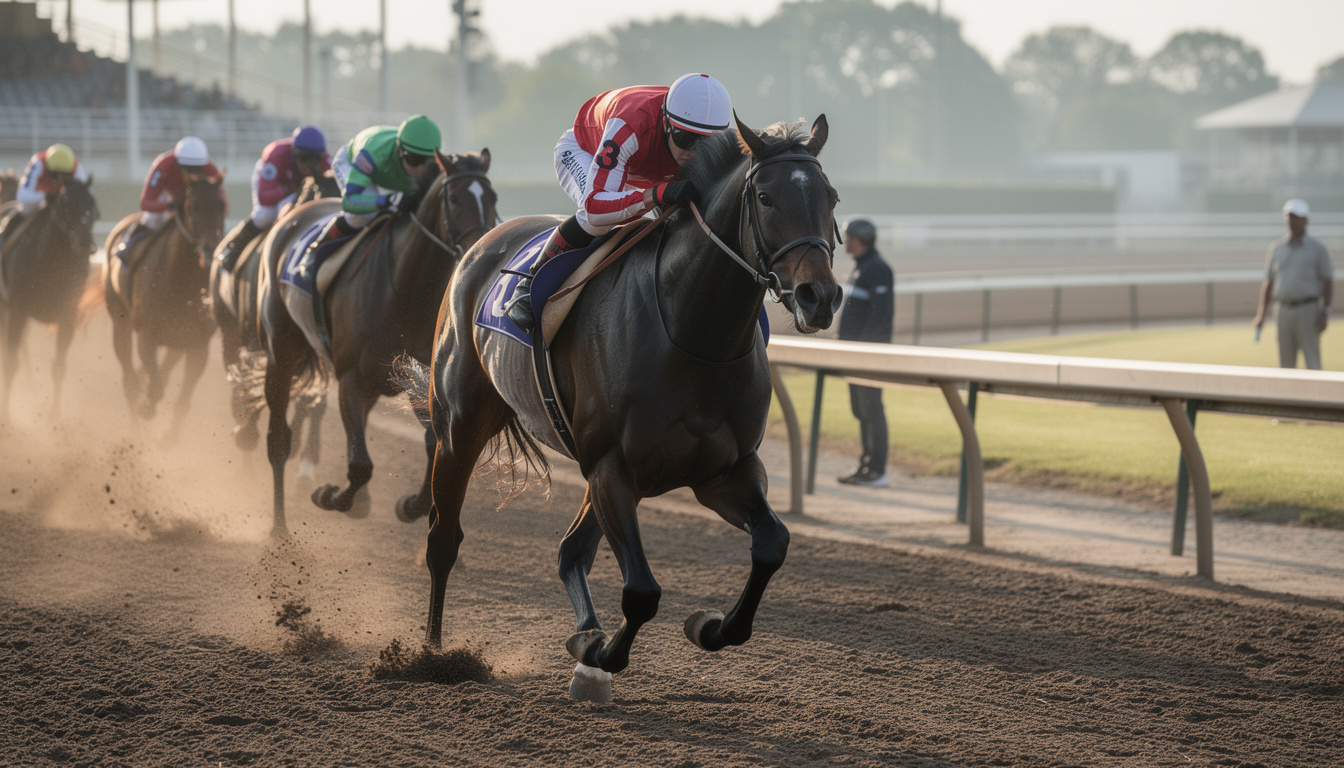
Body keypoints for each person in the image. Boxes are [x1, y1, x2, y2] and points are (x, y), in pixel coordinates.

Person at [505, 73, 733, 331]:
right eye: (686, 140)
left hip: (644, 168)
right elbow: (595, 208)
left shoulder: (700, 128)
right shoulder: (630, 125)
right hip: (585, 152)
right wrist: (654, 195)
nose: (693, 152)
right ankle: (530, 283)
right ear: (667, 123)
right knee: (598, 221)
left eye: (705, 145)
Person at [302, 114, 441, 341]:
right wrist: (385, 201)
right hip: (353, 163)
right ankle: (316, 249)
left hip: (388, 175)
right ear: (401, 152)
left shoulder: (420, 163)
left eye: (427, 163)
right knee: (361, 214)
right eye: (415, 161)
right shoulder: (373, 154)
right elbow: (350, 202)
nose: (420, 170)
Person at [217, 125, 330, 272]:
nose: (310, 166)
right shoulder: (276, 156)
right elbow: (264, 197)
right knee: (264, 215)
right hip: (277, 185)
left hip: (298, 188)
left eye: (315, 160)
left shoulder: (327, 162)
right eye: (304, 159)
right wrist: (289, 189)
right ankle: (233, 249)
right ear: (294, 154)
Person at [836, 218, 894, 488]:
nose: (845, 241)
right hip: (855, 356)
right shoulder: (862, 267)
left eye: (848, 236)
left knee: (872, 410)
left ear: (858, 239)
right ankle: (866, 465)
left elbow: (880, 319)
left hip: (868, 357)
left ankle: (877, 471)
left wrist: (863, 354)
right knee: (861, 411)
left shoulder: (877, 268)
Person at [1253, 199, 1334, 370]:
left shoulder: (1318, 249)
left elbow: (1327, 281)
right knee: (1286, 364)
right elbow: (1269, 282)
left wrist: (1325, 312)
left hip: (1308, 310)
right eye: (1289, 217)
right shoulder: (1277, 248)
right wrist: (1261, 314)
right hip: (1282, 310)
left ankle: (1315, 396)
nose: (1292, 221)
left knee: (1312, 362)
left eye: (1296, 217)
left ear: (1305, 220)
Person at [121, 136, 225, 251]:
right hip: (168, 195)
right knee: (153, 220)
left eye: (197, 169)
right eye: (188, 169)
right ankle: (127, 248)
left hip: (195, 200)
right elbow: (145, 203)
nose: (193, 175)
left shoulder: (210, 168)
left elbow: (224, 205)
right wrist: (171, 205)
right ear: (178, 163)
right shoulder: (164, 165)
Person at [0, 143, 90, 247]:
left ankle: (88, 245)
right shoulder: (37, 162)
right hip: (37, 205)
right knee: (23, 211)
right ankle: (4, 239)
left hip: (64, 206)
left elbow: (87, 196)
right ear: (49, 169)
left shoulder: (76, 166)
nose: (61, 179)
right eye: (57, 174)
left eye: (65, 175)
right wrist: (46, 197)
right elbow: (22, 196)